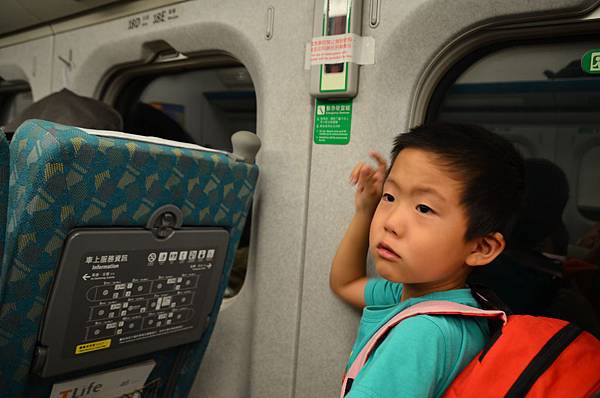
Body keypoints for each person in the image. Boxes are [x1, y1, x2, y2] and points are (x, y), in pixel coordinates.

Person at [330, 123, 525, 397]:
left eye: (424, 208)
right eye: (390, 196)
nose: (391, 222)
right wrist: (365, 210)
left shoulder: (421, 333)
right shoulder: (411, 295)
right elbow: (345, 283)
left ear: (481, 247)